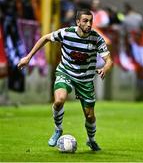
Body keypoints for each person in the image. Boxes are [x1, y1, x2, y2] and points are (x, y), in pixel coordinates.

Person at [17, 9, 113, 151]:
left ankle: (91, 140)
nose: (89, 24)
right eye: (85, 21)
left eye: (91, 21)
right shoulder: (66, 33)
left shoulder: (96, 38)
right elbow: (45, 38)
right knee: (59, 100)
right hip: (66, 72)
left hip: (85, 79)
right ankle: (58, 129)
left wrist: (105, 68)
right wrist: (28, 57)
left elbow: (109, 60)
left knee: (90, 116)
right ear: (78, 22)